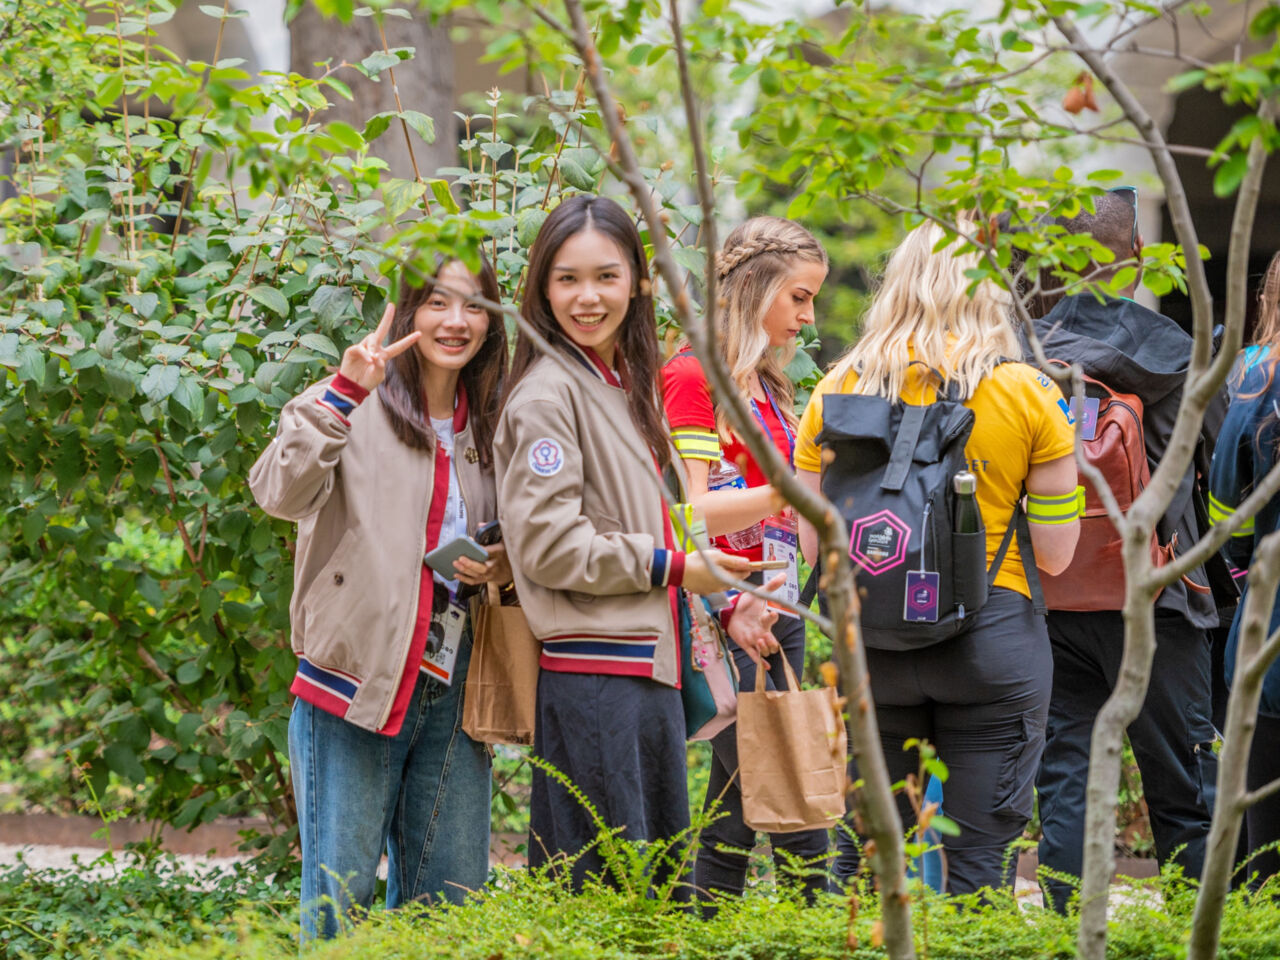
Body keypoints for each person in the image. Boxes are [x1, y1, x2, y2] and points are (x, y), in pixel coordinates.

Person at [493, 194, 782, 896]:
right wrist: (684, 570)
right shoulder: (547, 395)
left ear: (637, 284)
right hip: (594, 676)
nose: (587, 297)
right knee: (605, 898)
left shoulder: (621, 387)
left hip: (641, 672)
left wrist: (723, 595)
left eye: (606, 276)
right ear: (541, 286)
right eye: (567, 279)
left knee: (647, 899)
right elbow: (554, 549)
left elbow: (648, 521)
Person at [795, 219, 1081, 895]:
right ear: (989, 291)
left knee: (867, 861)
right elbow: (1059, 554)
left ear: (898, 283)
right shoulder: (1030, 391)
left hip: (869, 647)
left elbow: (816, 546)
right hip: (991, 640)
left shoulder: (837, 388)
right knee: (979, 871)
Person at [249, 257, 511, 939]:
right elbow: (279, 494)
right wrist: (342, 393)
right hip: (354, 683)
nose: (457, 322)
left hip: (454, 685)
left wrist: (498, 567)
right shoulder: (347, 400)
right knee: (338, 906)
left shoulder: (491, 423)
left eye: (475, 306)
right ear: (408, 311)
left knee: (449, 904)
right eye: (438, 304)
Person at [1028, 190, 1223, 910]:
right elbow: (1213, 472)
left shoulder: (1024, 354)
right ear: (1137, 259)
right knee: (1181, 784)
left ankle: (1063, 929)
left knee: (1065, 774)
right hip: (1161, 594)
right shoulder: (1179, 354)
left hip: (1053, 593)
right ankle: (1198, 930)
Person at [660, 216, 832, 905]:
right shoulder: (691, 376)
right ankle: (822, 937)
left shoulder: (766, 385)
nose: (808, 316)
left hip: (778, 611)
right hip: (728, 614)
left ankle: (709, 931)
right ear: (754, 285)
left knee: (738, 803)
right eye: (797, 296)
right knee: (796, 805)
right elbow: (688, 516)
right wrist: (732, 602)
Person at [1208, 249, 1280, 887]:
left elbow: (1228, 503)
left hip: (1271, 621)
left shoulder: (1257, 373)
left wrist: (1241, 567)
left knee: (1264, 837)